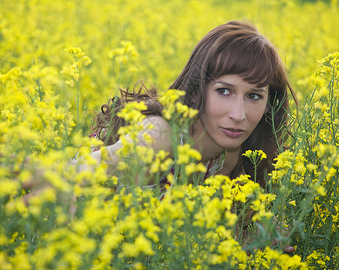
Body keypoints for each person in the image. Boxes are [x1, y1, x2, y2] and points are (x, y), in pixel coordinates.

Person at [25, 20, 296, 253]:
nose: (238, 114)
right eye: (224, 91)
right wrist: (67, 176)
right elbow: (113, 158)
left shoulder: (232, 161)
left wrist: (254, 237)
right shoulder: (161, 134)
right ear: (196, 90)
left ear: (269, 103)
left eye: (254, 96)